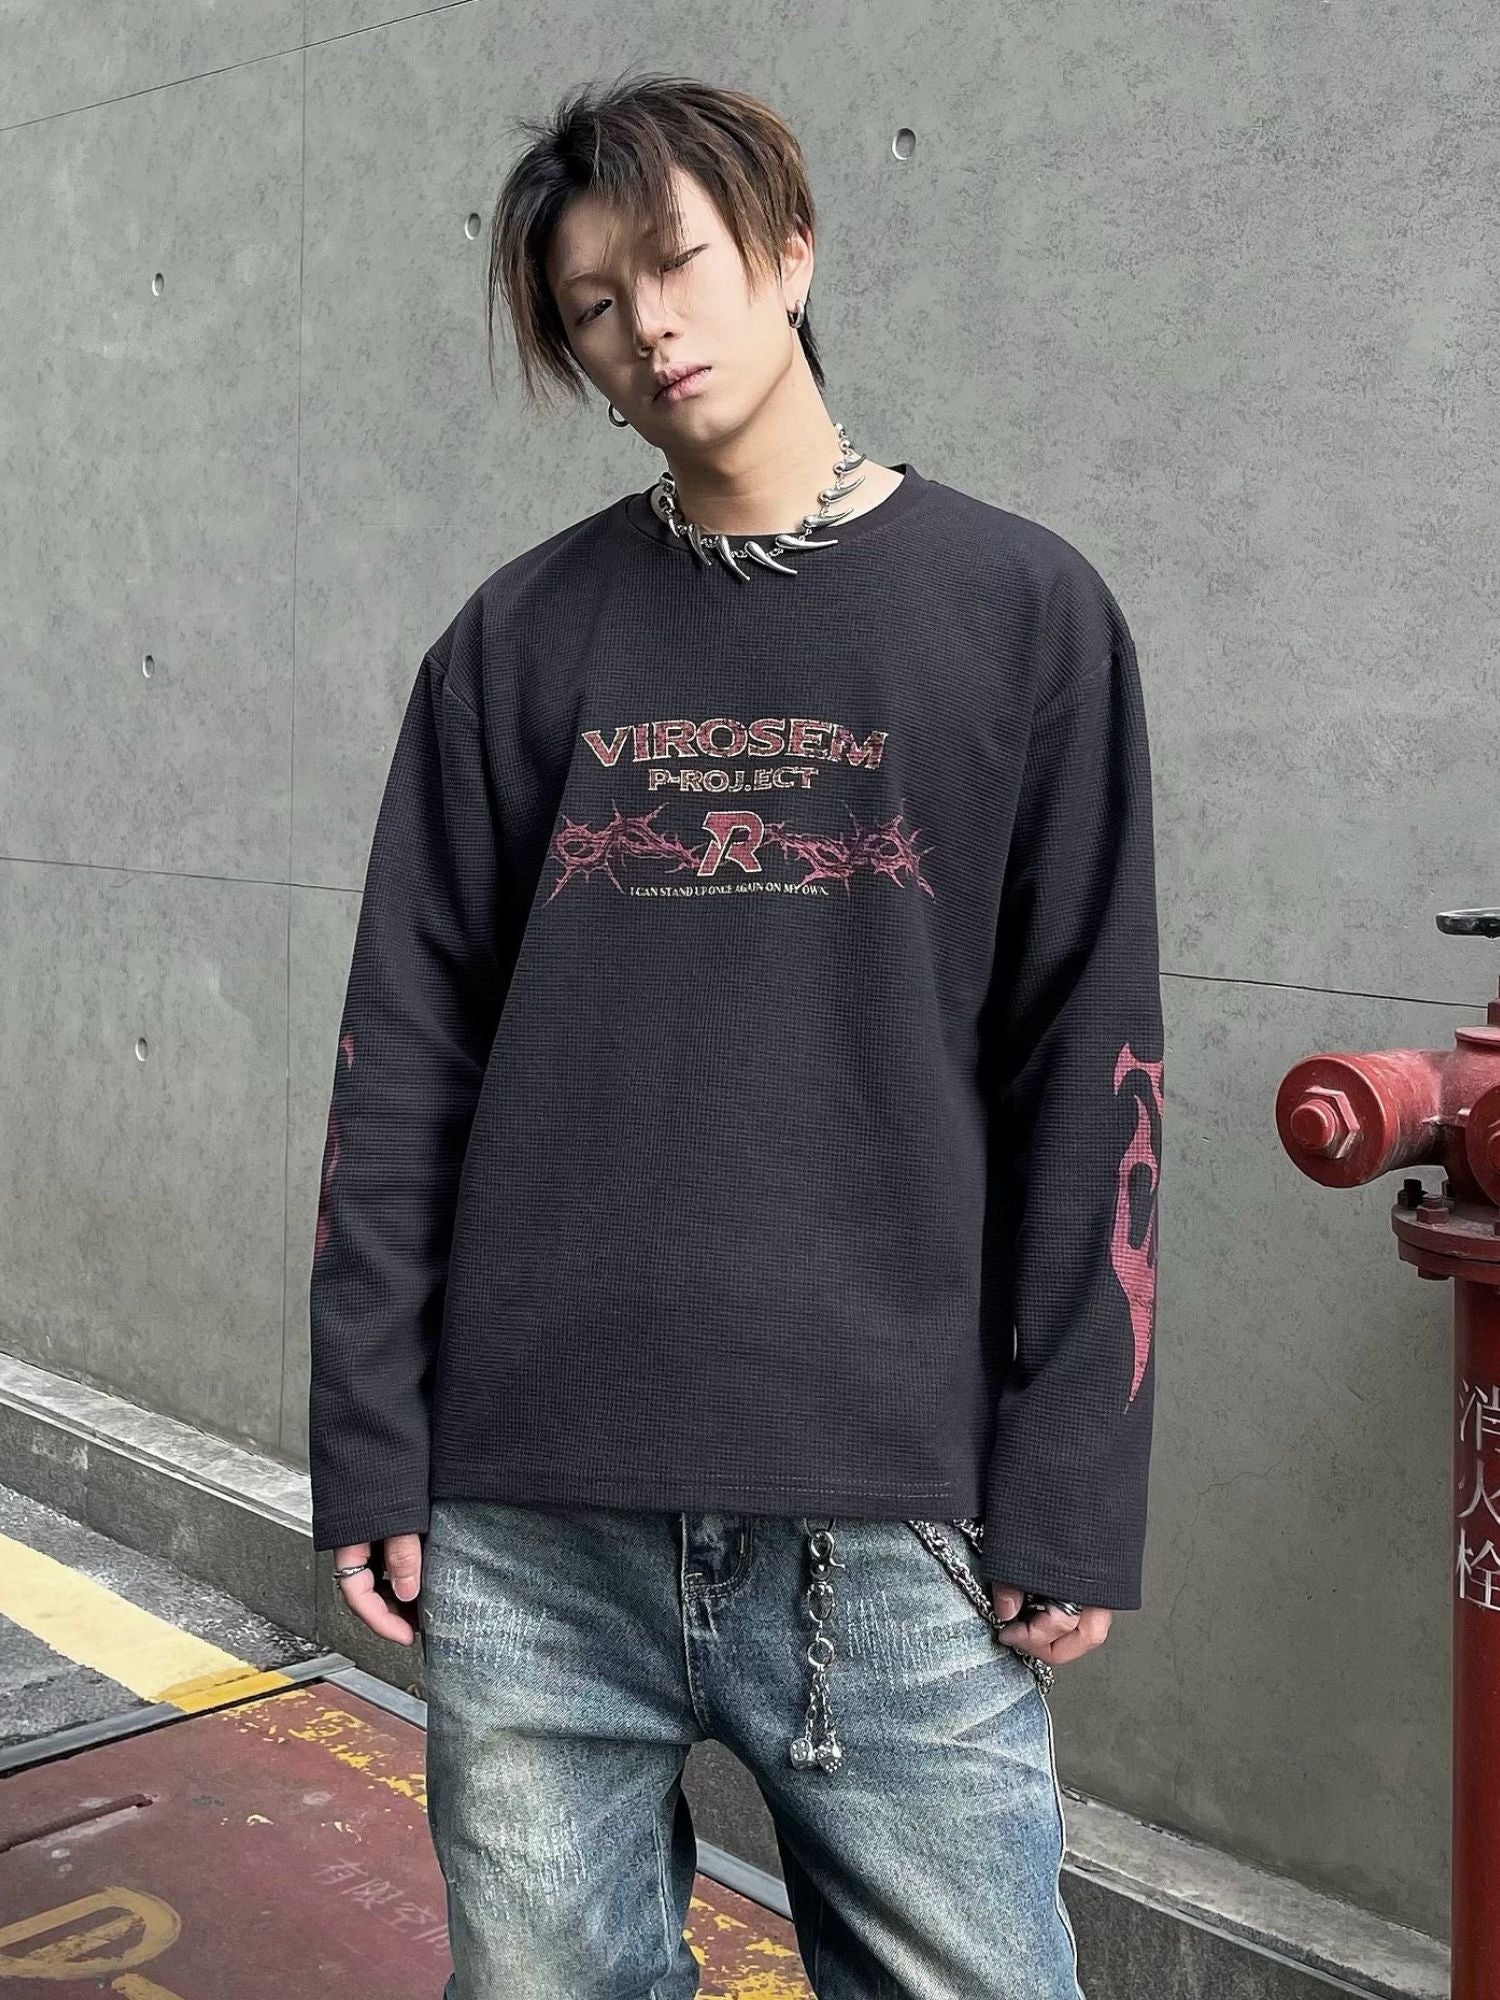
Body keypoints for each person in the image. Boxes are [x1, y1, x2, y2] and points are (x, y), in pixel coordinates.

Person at [308, 68, 1164, 2000]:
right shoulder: (516, 644)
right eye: (593, 307)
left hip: (892, 1510)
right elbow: (405, 1052)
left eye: (679, 263)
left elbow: (1089, 1058)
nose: (651, 328)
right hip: (531, 1516)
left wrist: (1074, 1476)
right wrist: (368, 1440)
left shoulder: (1023, 613)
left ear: (788, 250)